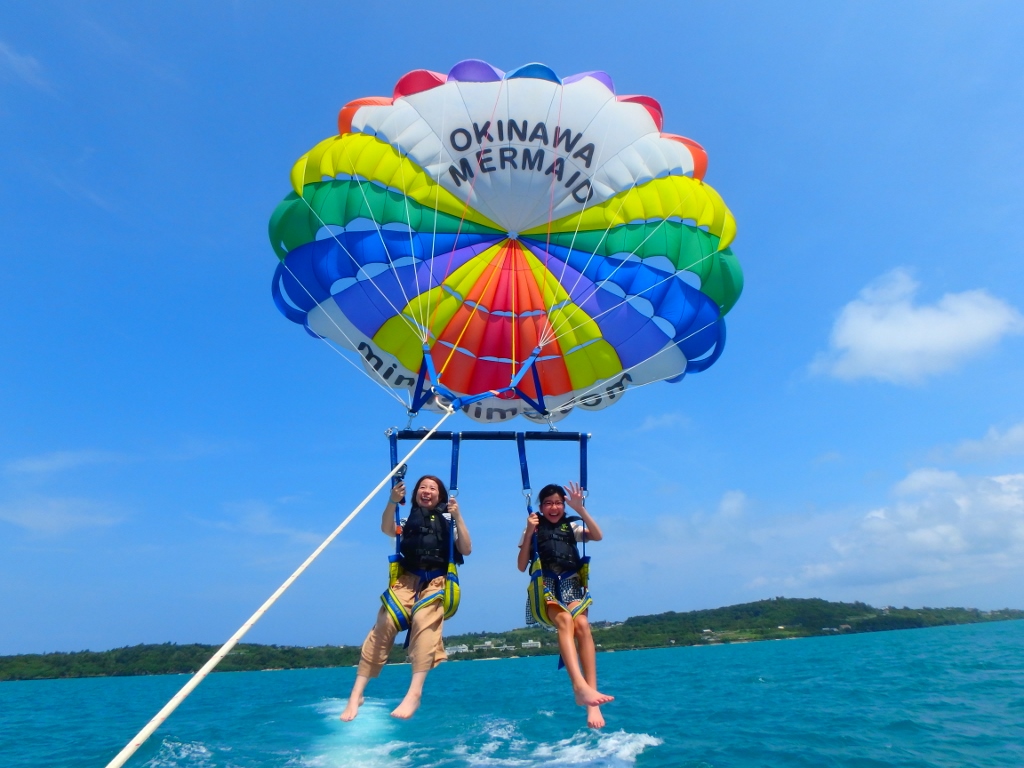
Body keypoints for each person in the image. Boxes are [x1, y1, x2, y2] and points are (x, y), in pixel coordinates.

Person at [341, 474, 472, 721]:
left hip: (437, 581)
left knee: (424, 621)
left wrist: (458, 516)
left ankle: (414, 693)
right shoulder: (405, 520)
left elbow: (466, 548)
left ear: (440, 496)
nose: (427, 491)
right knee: (384, 624)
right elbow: (386, 528)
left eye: (433, 488)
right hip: (407, 579)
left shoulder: (449, 521)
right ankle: (356, 693)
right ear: (415, 494)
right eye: (422, 487)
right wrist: (392, 501)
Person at [517, 481, 613, 728]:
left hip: (571, 584)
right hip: (545, 586)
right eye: (548, 503)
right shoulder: (534, 528)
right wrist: (529, 532)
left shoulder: (572, 525)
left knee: (582, 625)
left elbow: (599, 536)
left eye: (558, 503)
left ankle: (592, 701)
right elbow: (521, 565)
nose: (554, 507)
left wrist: (581, 509)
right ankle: (579, 687)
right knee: (564, 620)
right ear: (540, 506)